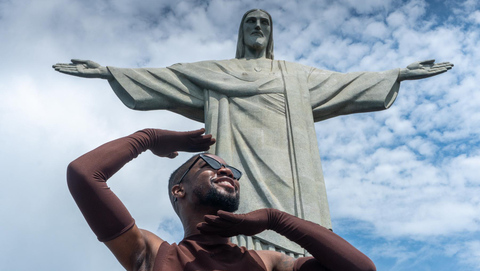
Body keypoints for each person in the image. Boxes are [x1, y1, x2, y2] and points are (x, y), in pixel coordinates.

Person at [53, 10, 453, 255]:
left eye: (264, 23)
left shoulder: (294, 76)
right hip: (233, 165)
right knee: (236, 231)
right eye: (251, 22)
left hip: (291, 175)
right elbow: (166, 79)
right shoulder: (215, 73)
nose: (258, 27)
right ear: (242, 33)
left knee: (295, 240)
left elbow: (345, 84)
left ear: (270, 34)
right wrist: (109, 71)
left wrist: (398, 73)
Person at [67, 127, 376, 271]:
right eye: (211, 165)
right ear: (179, 190)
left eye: (233, 172)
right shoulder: (151, 254)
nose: (228, 172)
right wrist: (149, 138)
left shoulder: (266, 265)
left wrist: (275, 219)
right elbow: (85, 174)